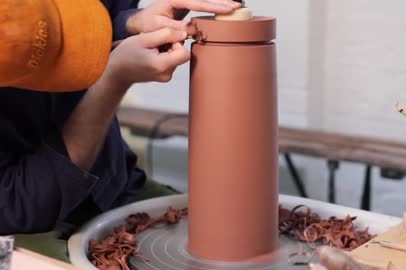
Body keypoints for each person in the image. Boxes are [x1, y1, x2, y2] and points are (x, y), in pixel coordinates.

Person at [0, 0, 241, 261]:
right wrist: (113, 80)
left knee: (228, 230)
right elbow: (18, 204)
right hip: (27, 219)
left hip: (112, 180)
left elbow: (91, 14)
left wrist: (130, 22)